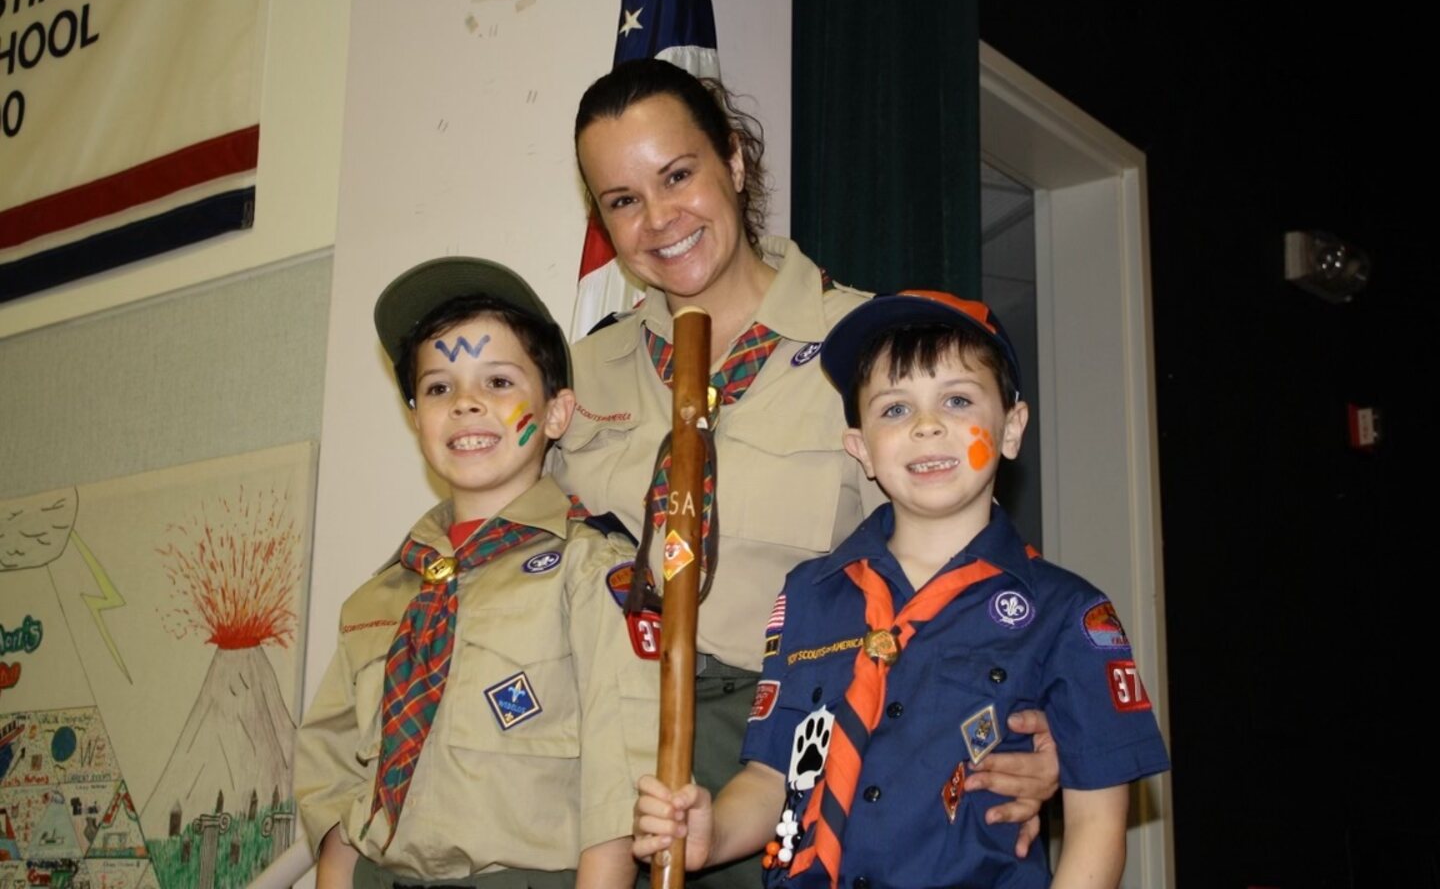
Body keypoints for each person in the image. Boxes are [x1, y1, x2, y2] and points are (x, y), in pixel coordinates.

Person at [552, 58, 1061, 887]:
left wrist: (1024, 725)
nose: (657, 219)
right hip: (609, 758)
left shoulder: (874, 349)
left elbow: (963, 571)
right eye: (622, 200)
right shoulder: (578, 376)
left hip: (792, 742)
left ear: (736, 161)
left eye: (678, 175)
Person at [632, 290, 1171, 888]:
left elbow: (1097, 825)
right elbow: (775, 778)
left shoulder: (1068, 612)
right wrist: (713, 833)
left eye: (958, 400)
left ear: (1012, 429)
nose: (927, 426)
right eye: (894, 409)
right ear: (860, 448)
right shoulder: (809, 594)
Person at [294, 258, 659, 889]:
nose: (465, 404)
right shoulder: (379, 597)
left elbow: (619, 791)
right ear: (417, 418)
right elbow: (330, 769)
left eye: (496, 382)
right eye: (438, 388)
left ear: (555, 413)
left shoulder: (593, 572)